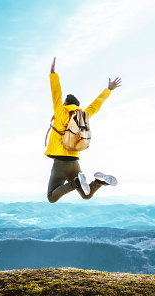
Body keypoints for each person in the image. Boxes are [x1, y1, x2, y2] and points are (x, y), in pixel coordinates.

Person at [46, 57, 121, 203]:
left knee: (51, 197)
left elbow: (56, 94)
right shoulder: (83, 115)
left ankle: (76, 183)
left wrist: (53, 75)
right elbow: (95, 105)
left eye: (63, 102)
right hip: (75, 162)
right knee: (86, 195)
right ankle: (100, 181)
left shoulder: (62, 112)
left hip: (61, 162)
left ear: (66, 103)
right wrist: (109, 90)